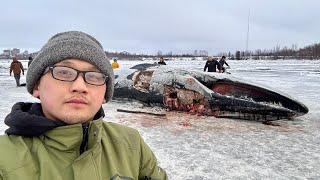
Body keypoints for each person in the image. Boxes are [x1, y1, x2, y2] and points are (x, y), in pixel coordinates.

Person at [0, 31, 167, 180]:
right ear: (37, 86)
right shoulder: (5, 158)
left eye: (94, 76)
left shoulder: (132, 145)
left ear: (104, 94)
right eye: (64, 72)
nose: (80, 86)